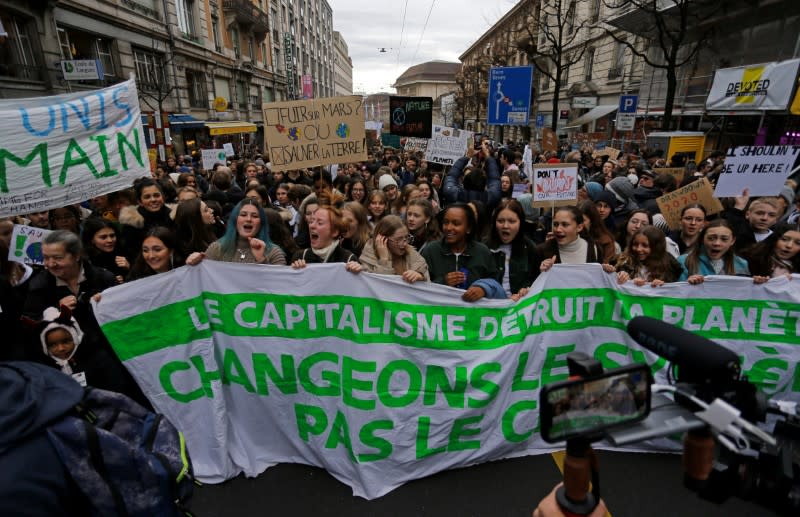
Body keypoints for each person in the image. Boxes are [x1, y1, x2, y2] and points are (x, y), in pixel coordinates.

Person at [422, 203, 503, 301]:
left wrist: (483, 289)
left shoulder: (482, 252)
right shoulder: (430, 251)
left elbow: (495, 283)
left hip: (472, 313)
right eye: (446, 222)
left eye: (456, 223)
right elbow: (421, 287)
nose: (449, 228)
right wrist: (443, 282)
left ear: (468, 228)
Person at [187, 198, 286, 266]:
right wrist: (194, 263)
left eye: (255, 216)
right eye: (243, 215)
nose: (249, 219)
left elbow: (279, 287)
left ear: (261, 223)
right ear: (235, 220)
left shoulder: (274, 253)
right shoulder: (216, 249)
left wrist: (262, 260)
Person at [486, 199, 542, 300]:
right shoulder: (484, 247)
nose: (505, 226)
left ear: (520, 223)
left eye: (512, 221)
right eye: (500, 221)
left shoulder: (530, 248)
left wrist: (526, 290)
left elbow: (536, 280)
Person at [346, 215, 429, 282]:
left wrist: (420, 276)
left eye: (406, 237)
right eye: (398, 239)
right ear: (383, 239)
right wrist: (384, 260)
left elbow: (428, 286)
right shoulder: (369, 256)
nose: (404, 243)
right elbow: (378, 287)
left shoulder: (411, 254)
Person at [291, 195, 358, 268]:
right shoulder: (300, 257)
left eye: (320, 223)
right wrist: (295, 271)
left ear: (334, 232)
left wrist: (356, 272)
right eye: (311, 221)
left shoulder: (349, 260)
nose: (311, 226)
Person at [119, 178, 176, 261]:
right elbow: (131, 252)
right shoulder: (132, 223)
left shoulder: (174, 216)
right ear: (140, 202)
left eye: (156, 195)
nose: (153, 200)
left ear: (163, 197)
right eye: (147, 197)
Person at [605, 226, 683, 287]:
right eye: (635, 244)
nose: (639, 249)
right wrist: (614, 274)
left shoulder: (670, 268)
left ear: (656, 247)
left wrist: (663, 286)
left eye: (645, 246)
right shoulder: (621, 262)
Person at [678, 219, 751, 283]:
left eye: (724, 239)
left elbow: (745, 292)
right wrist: (687, 283)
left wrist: (756, 283)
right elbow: (676, 293)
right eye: (711, 238)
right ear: (703, 238)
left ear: (732, 241)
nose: (717, 243)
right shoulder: (684, 261)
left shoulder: (741, 264)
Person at [538, 207, 604, 272]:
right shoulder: (542, 251)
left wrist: (607, 271)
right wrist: (543, 273)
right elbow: (533, 281)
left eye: (565, 225)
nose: (558, 229)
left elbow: (599, 278)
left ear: (579, 227)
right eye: (555, 224)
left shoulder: (594, 248)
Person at [81, 217, 129, 284]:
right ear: (91, 240)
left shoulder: (124, 252)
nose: (110, 240)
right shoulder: (86, 262)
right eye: (103, 237)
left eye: (112, 236)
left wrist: (129, 268)